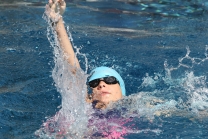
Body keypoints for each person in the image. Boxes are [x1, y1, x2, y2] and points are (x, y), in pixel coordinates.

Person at [47, 0, 126, 109]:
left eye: (110, 80)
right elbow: (73, 71)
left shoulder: (138, 109)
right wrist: (57, 22)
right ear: (90, 96)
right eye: (94, 83)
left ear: (122, 90)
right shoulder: (84, 110)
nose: (101, 85)